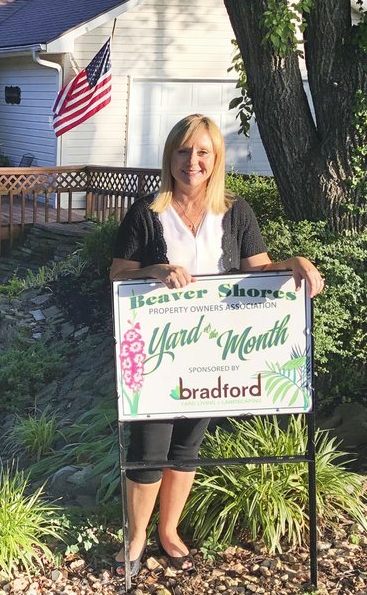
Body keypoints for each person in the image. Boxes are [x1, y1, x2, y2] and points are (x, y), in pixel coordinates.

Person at [109, 114, 325, 577]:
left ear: (215, 159)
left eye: (203, 152)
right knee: (150, 445)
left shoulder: (235, 211)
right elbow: (116, 274)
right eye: (184, 151)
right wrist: (153, 271)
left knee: (187, 446)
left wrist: (296, 263)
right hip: (158, 352)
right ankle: (136, 536)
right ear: (170, 156)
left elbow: (259, 268)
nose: (193, 161)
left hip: (212, 352)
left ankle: (168, 532)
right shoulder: (146, 213)